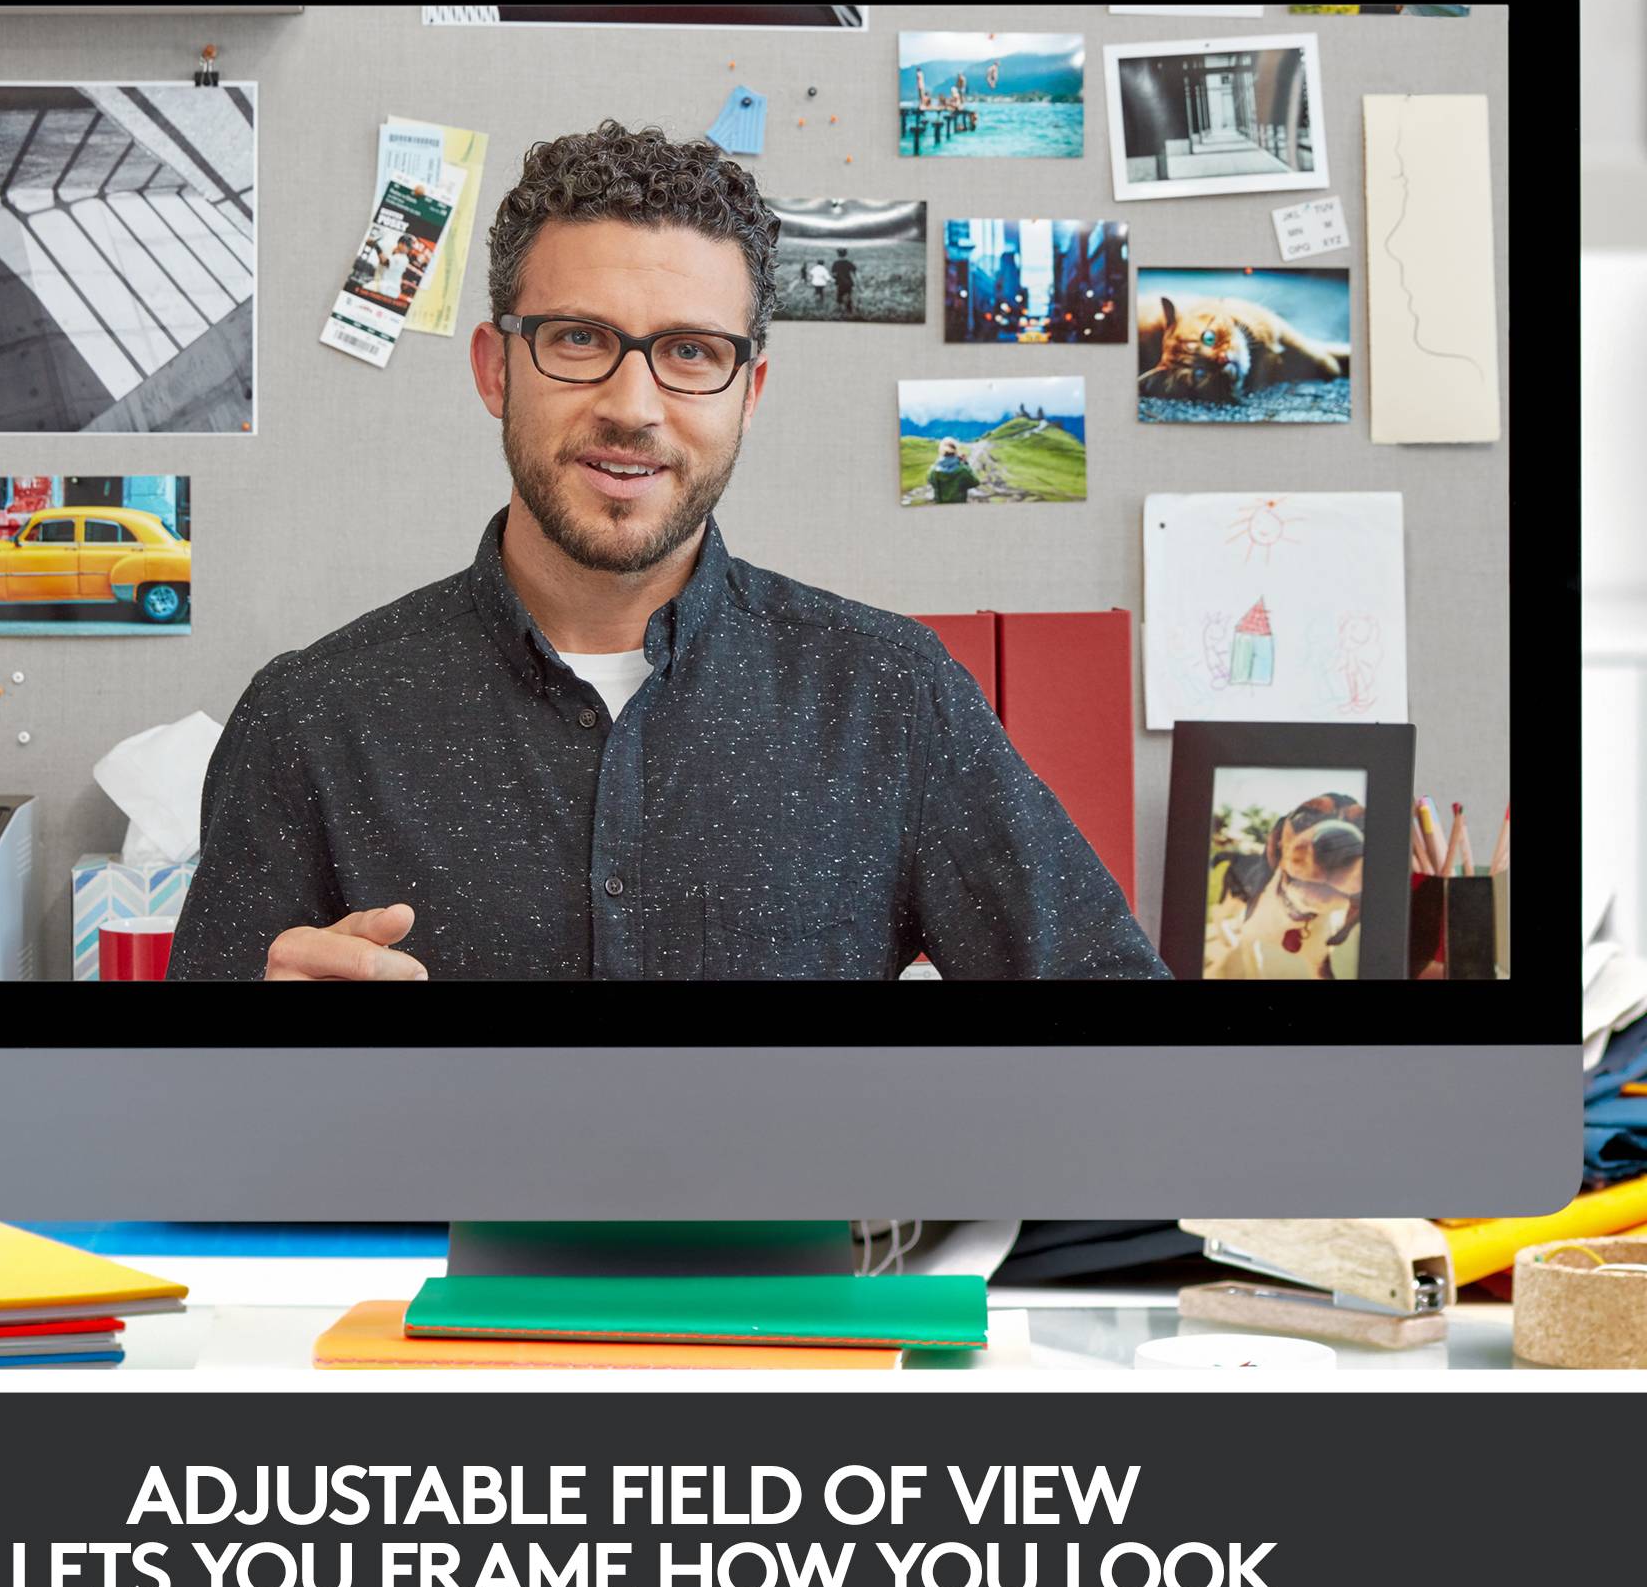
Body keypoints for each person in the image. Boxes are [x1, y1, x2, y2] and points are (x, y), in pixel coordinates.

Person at [165, 118, 1170, 983]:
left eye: (690, 352)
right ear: (493, 368)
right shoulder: (308, 718)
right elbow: (179, 1128)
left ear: (748, 394)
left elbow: (1123, 1050)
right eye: (575, 339)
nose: (632, 405)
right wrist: (246, 1069)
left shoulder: (890, 697)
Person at [925, 438, 981, 505]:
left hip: (940, 507)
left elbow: (929, 480)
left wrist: (938, 463)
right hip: (959, 507)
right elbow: (975, 482)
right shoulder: (963, 470)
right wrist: (966, 464)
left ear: (941, 451)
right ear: (956, 451)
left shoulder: (934, 471)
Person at [830, 248, 858, 316]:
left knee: (839, 298)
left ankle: (840, 312)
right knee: (848, 297)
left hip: (840, 283)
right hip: (848, 283)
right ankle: (849, 311)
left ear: (838, 254)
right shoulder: (848, 262)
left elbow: (833, 274)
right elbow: (854, 270)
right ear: (846, 254)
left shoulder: (836, 263)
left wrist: (835, 279)